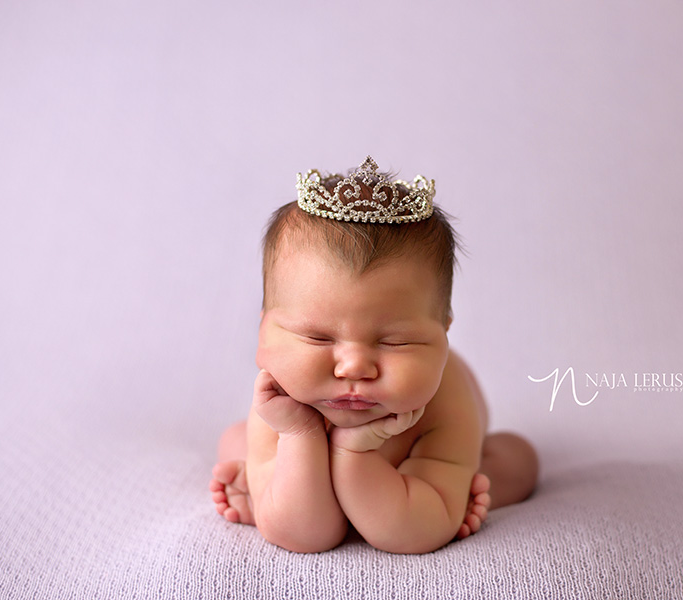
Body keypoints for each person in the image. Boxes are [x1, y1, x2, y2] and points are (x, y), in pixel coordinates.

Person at [209, 157, 538, 554]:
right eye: (316, 337)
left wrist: (354, 455)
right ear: (264, 329)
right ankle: (270, 480)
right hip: (308, 459)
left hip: (416, 476)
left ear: (444, 332)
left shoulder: (444, 403)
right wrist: (299, 434)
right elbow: (305, 536)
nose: (354, 367)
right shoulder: (281, 398)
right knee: (235, 439)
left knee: (516, 461)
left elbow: (413, 533)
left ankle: (457, 493)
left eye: (395, 342)